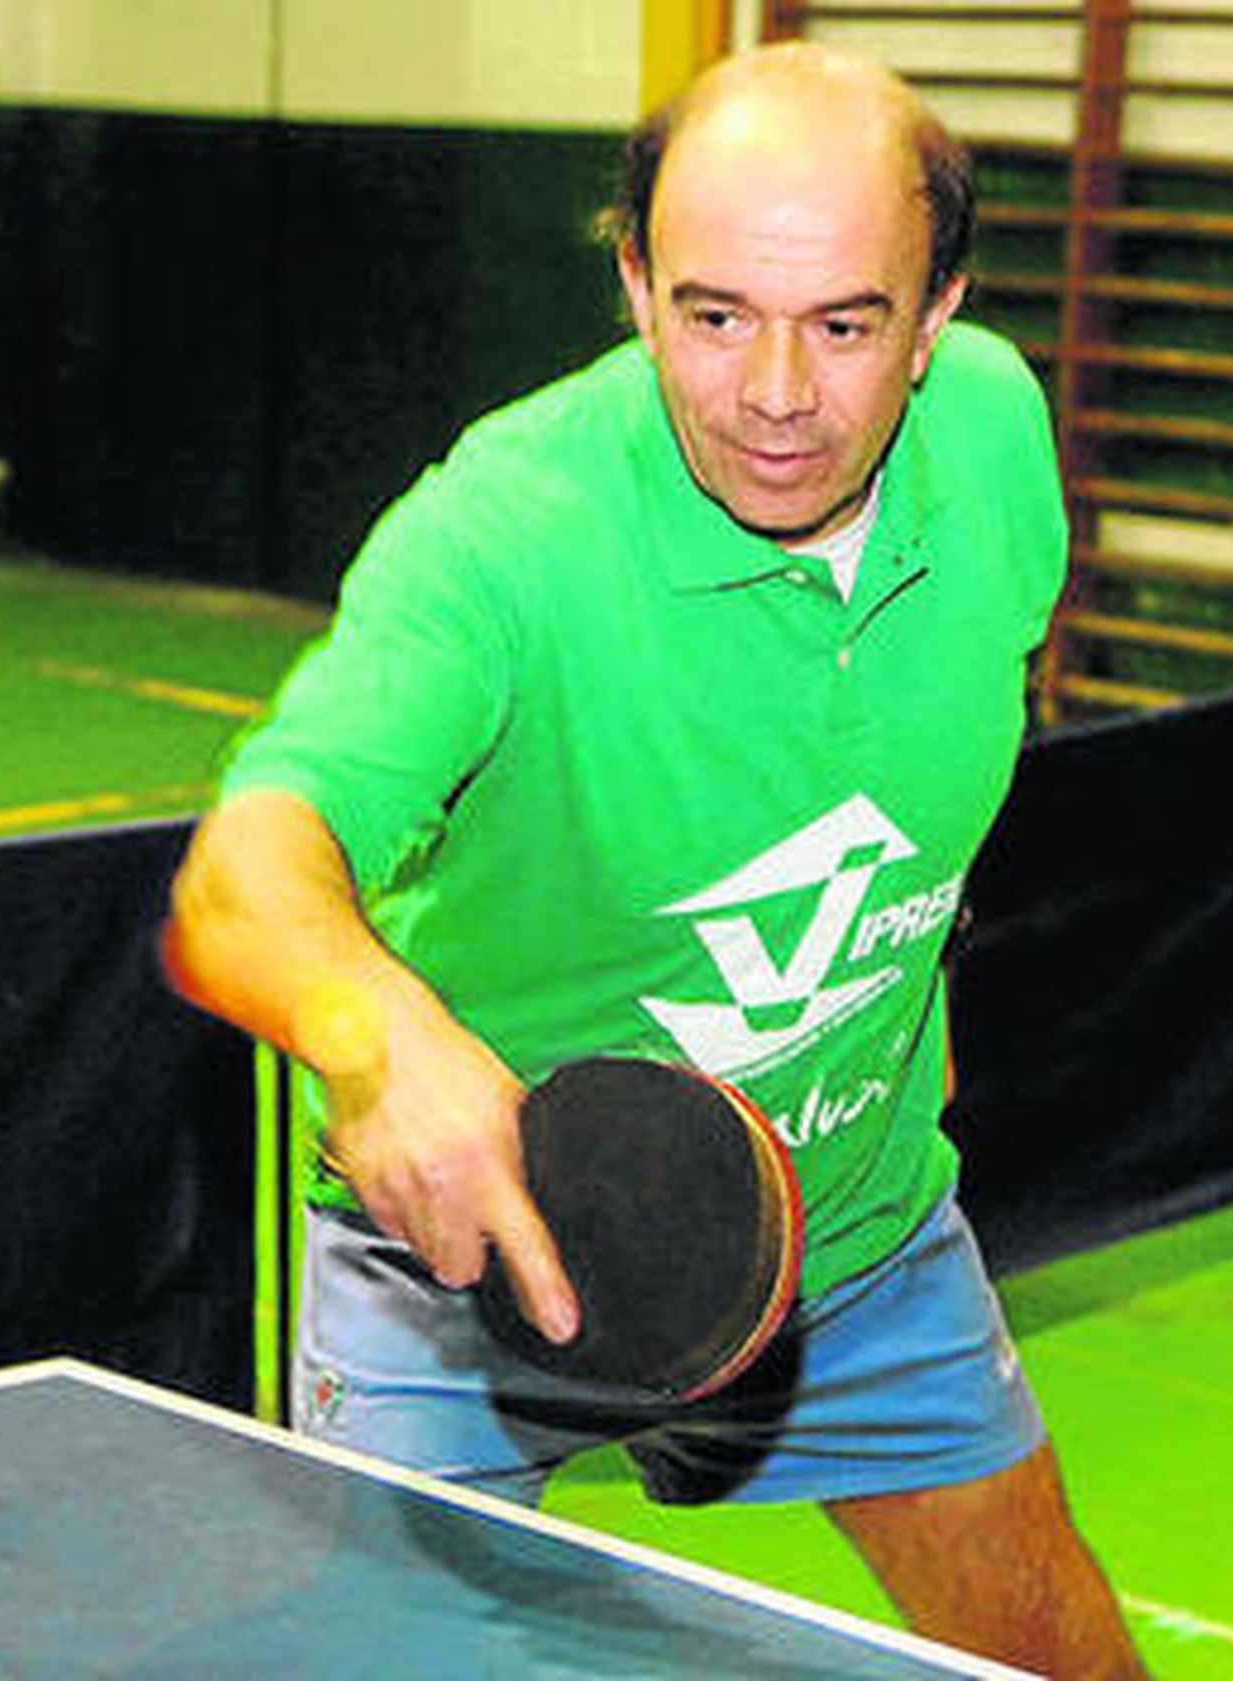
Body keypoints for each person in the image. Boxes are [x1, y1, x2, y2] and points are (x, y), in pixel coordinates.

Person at [166, 42, 1147, 1679]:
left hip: (854, 1237)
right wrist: (375, 1037)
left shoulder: (991, 438)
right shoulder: (497, 538)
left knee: (1060, 1647)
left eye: (846, 325)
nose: (775, 392)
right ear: (632, 283)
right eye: (713, 315)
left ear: (940, 314)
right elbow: (246, 869)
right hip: (468, 1261)